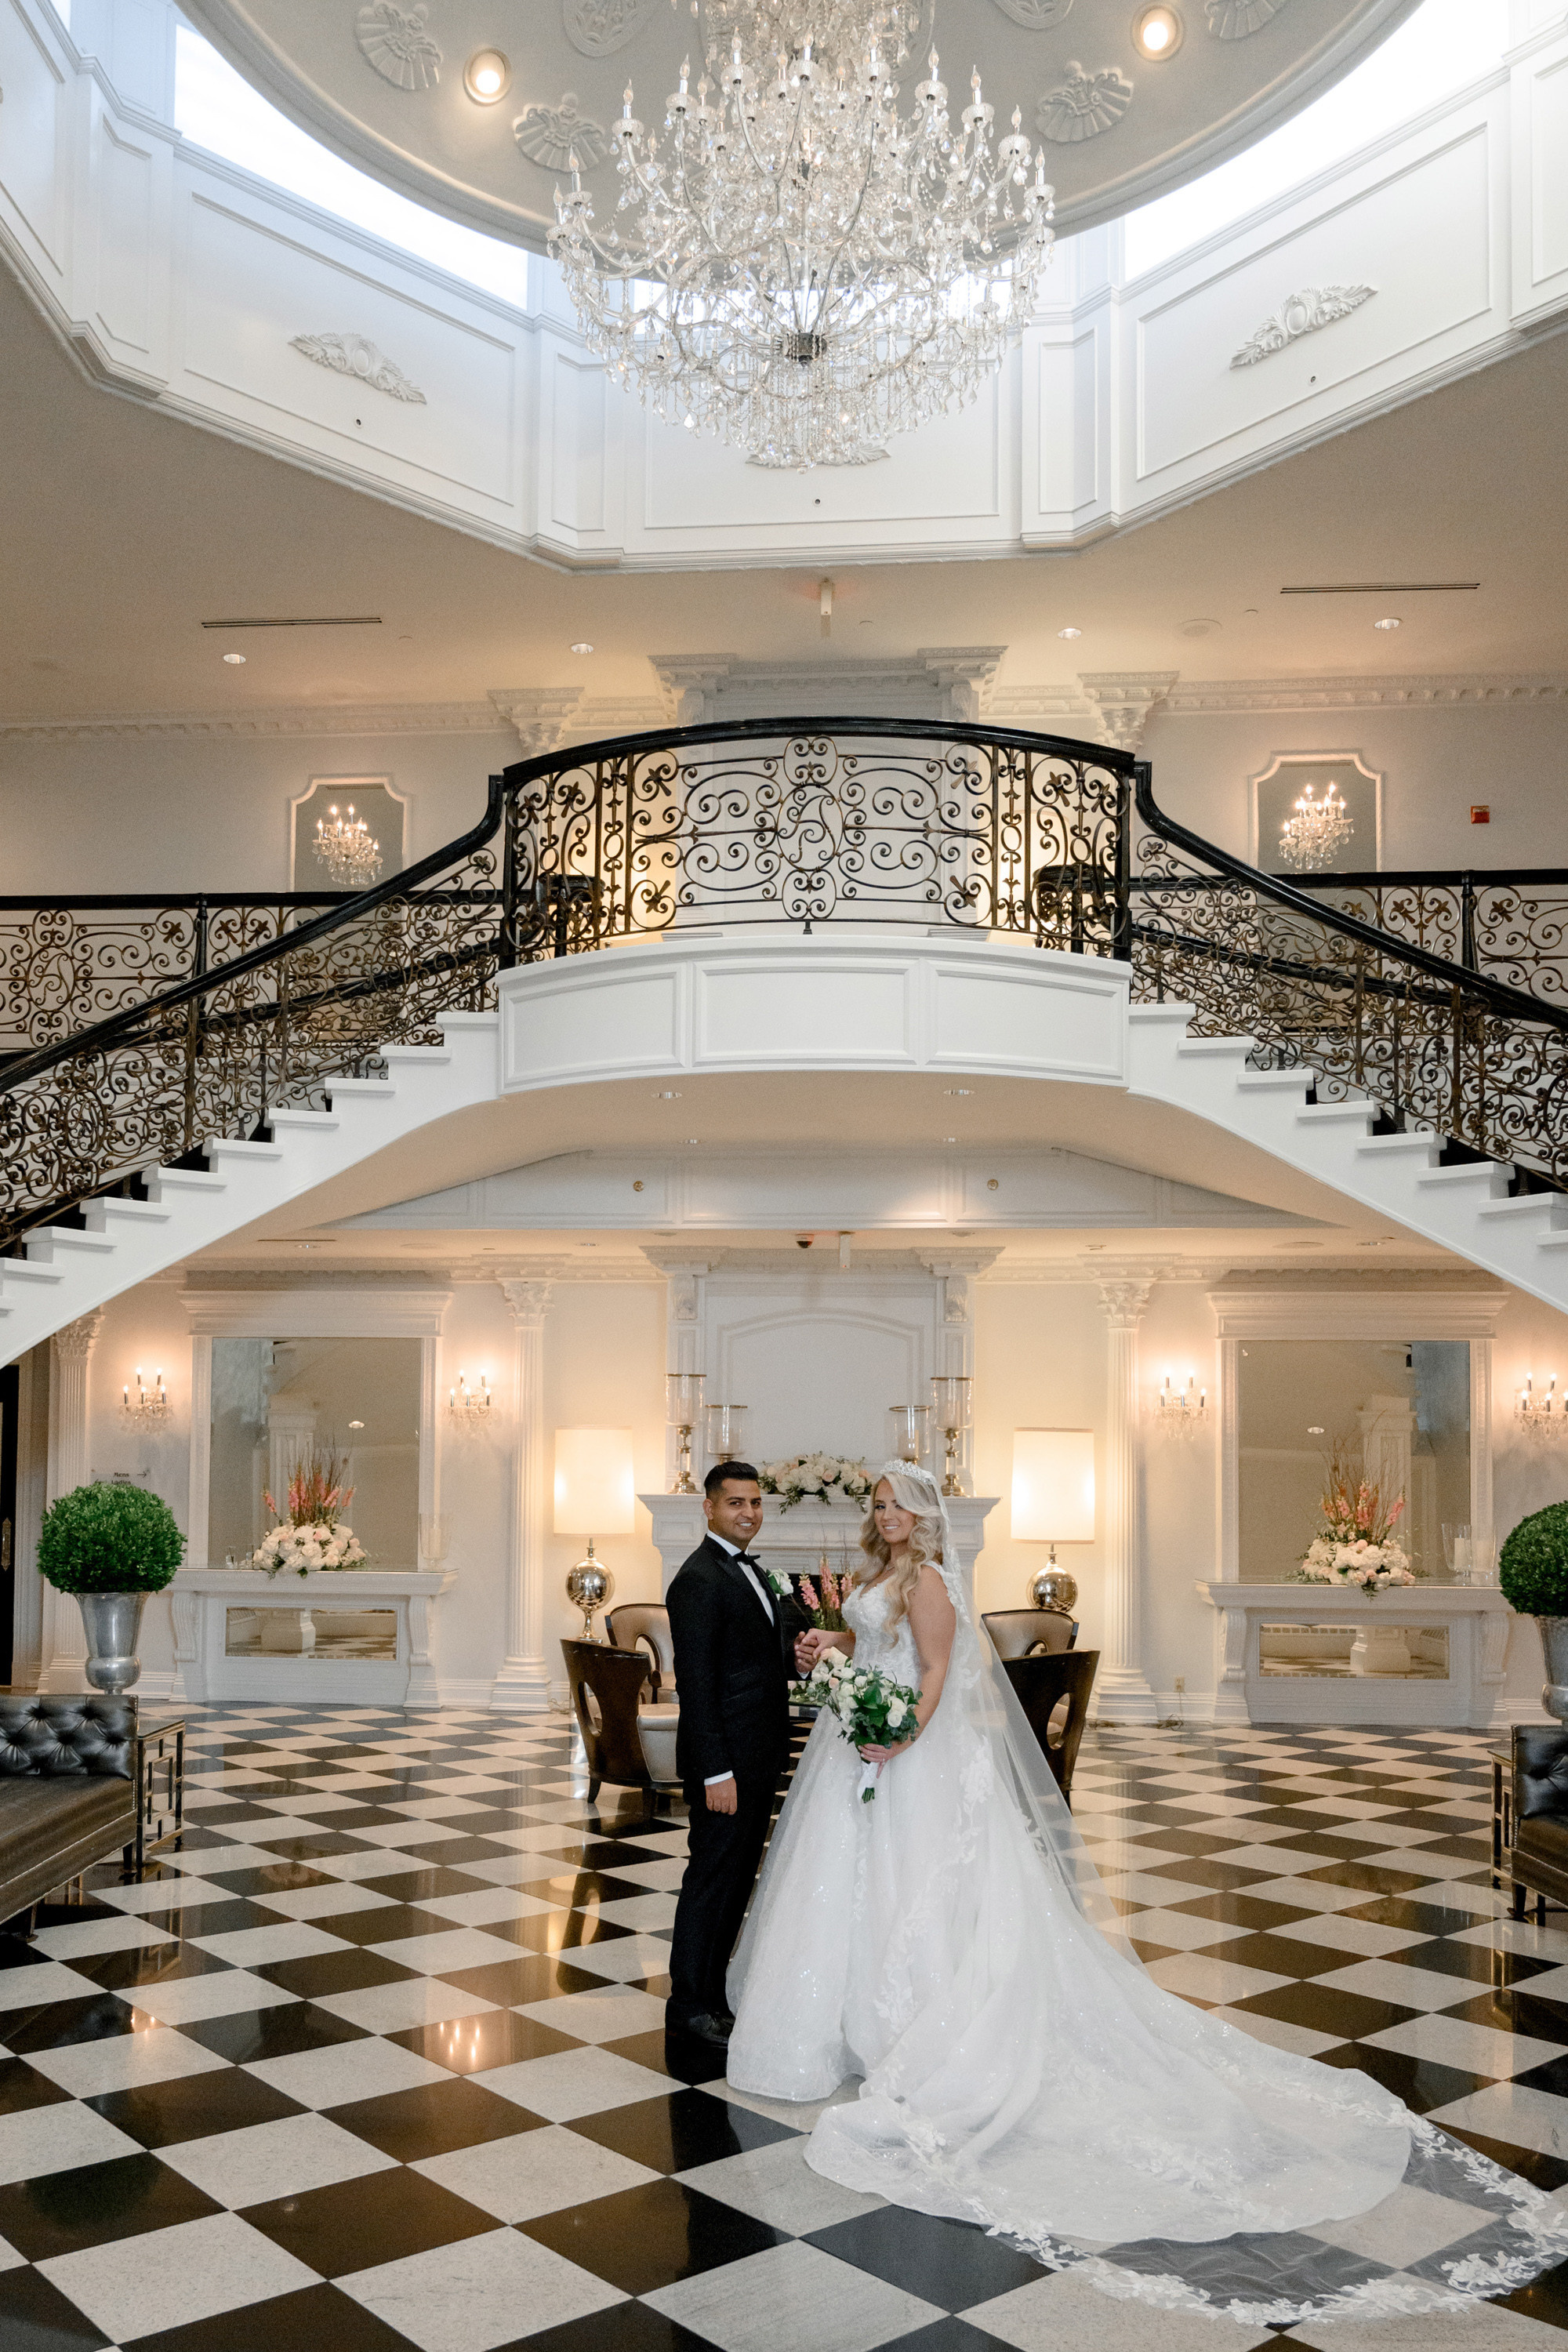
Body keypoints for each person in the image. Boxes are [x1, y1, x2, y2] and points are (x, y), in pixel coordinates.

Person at [723, 1460, 1568, 2326]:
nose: (886, 1515)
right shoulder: (872, 1576)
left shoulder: (933, 1582)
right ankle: (850, 2020)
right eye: (878, 1505)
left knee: (921, 1890)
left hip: (911, 1754)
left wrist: (899, 1740)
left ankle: (916, 2025)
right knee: (857, 1884)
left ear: (925, 1517)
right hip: (859, 1750)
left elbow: (934, 1674)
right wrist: (836, 1649)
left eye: (897, 1505)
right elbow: (882, 1650)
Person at [664, 1461, 800, 2046]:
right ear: (710, 1509)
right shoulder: (698, 1579)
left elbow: (758, 1659)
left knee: (736, 1878)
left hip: (757, 1755)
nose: (749, 1513)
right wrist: (717, 1771)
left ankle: (714, 1994)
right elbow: (695, 1686)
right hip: (725, 1765)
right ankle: (690, 2006)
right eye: (736, 1503)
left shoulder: (749, 1573)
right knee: (713, 1880)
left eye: (756, 1503)